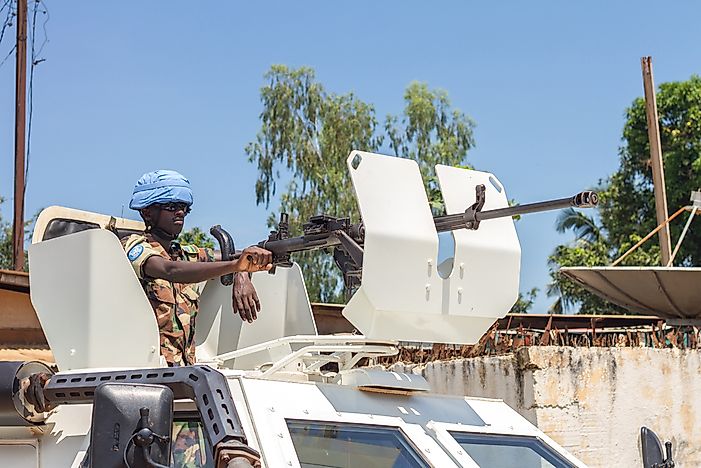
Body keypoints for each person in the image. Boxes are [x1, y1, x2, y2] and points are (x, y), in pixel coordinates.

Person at [122, 169, 273, 368]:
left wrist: (242, 271)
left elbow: (238, 256)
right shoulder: (133, 246)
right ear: (147, 212)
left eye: (185, 207)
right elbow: (169, 270)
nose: (180, 212)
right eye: (172, 206)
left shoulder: (185, 254)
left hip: (184, 372)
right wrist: (236, 266)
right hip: (147, 373)